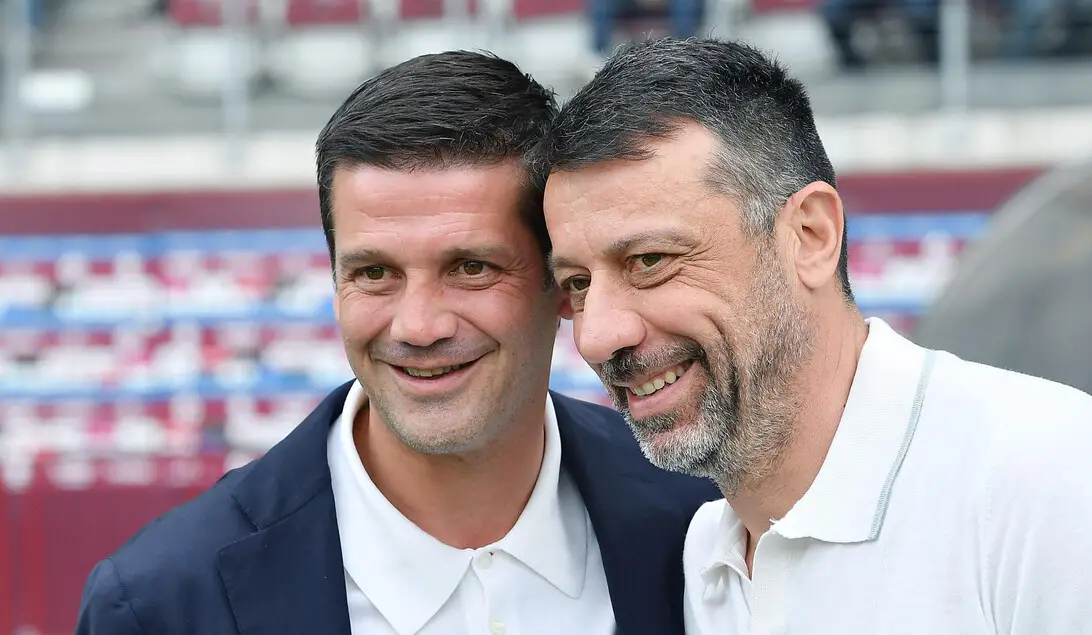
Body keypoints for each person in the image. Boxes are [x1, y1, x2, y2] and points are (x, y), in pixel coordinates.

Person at [75, 51, 718, 635]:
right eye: (375, 273)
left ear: (562, 285)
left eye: (471, 268)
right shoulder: (160, 605)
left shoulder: (704, 513)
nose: (418, 326)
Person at [534, 37, 1092, 634]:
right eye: (577, 284)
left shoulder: (1045, 478)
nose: (597, 336)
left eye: (649, 260)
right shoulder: (701, 558)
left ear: (811, 237)